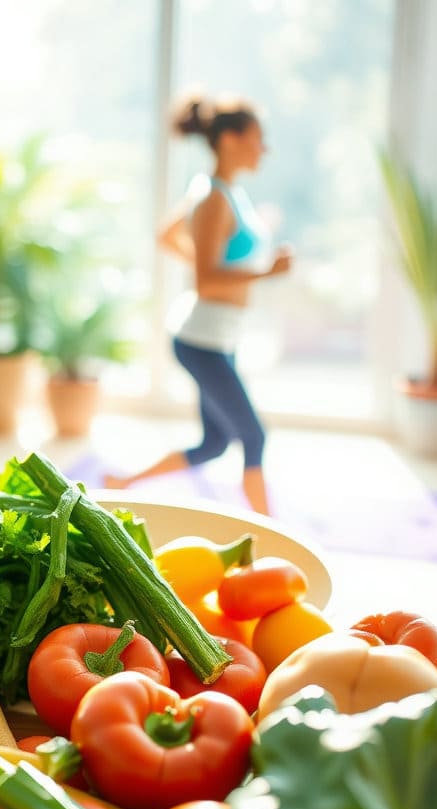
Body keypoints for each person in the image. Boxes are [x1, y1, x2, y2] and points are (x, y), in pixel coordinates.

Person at [105, 94, 292, 515]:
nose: (265, 148)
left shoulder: (220, 192)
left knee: (214, 443)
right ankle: (274, 532)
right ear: (229, 139)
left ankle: (124, 482)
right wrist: (265, 272)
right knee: (255, 437)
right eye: (258, 138)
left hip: (218, 338)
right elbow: (207, 282)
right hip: (201, 340)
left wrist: (218, 261)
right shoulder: (213, 200)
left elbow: (167, 234)